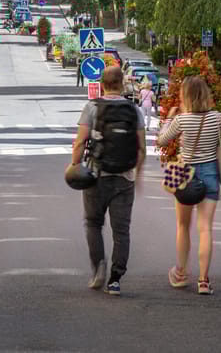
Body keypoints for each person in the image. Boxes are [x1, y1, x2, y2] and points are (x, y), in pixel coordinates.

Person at [68, 66, 146, 296]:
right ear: (122, 85)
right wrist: (138, 174)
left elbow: (80, 141)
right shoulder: (134, 110)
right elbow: (141, 147)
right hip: (124, 178)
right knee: (121, 230)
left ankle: (98, 266)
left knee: (93, 223)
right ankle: (115, 279)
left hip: (96, 176)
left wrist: (74, 165)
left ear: (102, 84)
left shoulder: (92, 107)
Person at [156, 76, 221, 296]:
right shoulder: (217, 117)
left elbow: (161, 141)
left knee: (183, 226)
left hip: (184, 174)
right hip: (211, 172)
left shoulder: (182, 120)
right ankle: (204, 281)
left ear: (185, 96)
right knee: (205, 228)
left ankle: (181, 272)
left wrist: (168, 118)